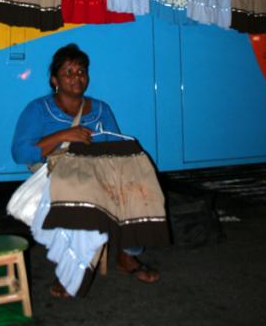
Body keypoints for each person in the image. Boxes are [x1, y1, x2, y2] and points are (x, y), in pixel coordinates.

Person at [11, 43, 160, 297]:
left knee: (138, 186)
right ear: (54, 79)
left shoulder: (101, 110)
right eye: (68, 72)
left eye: (81, 71)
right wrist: (64, 135)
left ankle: (127, 256)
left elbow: (115, 147)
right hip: (55, 177)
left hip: (96, 173)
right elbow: (20, 153)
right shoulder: (38, 109)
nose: (76, 77)